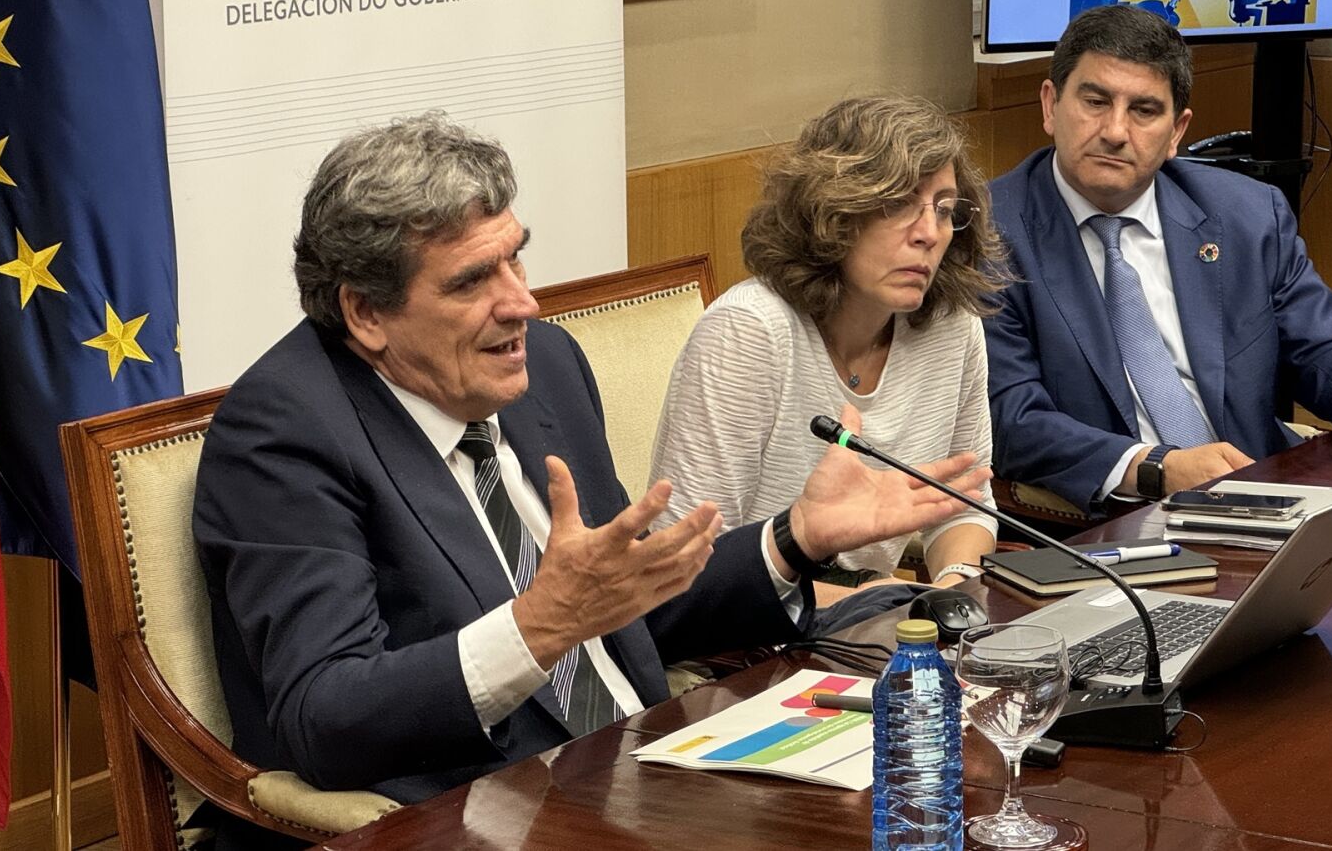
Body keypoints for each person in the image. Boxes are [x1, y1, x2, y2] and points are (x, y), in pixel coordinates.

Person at [192, 113, 988, 850]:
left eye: (515, 257)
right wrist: (538, 628)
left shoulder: (546, 367)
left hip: (654, 767)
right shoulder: (286, 434)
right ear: (366, 312)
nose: (521, 303)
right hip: (478, 811)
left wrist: (791, 540)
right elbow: (325, 717)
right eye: (471, 282)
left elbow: (636, 609)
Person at [984, 5, 1332, 514]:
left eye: (1143, 110)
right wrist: (1155, 468)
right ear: (1051, 105)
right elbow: (1011, 417)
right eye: (1095, 102)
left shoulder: (1245, 213)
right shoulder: (986, 235)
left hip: (1266, 494)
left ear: (1176, 132)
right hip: (1116, 519)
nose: (1115, 130)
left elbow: (1322, 341)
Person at [648, 96, 1008, 602]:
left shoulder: (953, 328)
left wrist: (950, 591)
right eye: (898, 204)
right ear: (832, 212)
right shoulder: (748, 332)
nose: (929, 234)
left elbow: (964, 505)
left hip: (880, 621)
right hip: (746, 630)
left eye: (945, 210)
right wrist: (878, 602)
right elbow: (683, 568)